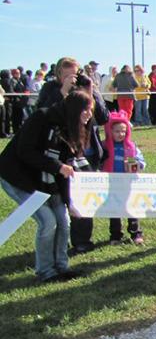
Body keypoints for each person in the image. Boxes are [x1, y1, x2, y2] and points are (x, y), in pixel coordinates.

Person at [0, 90, 95, 283]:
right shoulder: (42, 117)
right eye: (86, 110)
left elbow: (66, 170)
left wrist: (69, 202)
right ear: (75, 109)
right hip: (19, 177)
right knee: (47, 221)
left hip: (50, 180)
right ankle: (45, 271)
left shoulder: (73, 130)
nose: (89, 115)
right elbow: (25, 151)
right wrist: (57, 167)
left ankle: (62, 266)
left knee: (63, 220)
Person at [36, 57, 110, 254]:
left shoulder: (86, 87)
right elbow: (41, 115)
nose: (72, 78)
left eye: (75, 74)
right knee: (60, 199)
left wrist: (91, 91)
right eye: (67, 75)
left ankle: (82, 240)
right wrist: (63, 92)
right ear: (58, 74)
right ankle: (58, 241)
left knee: (83, 197)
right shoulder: (50, 90)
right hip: (59, 152)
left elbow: (103, 117)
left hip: (87, 151)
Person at [101, 111, 146, 245]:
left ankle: (136, 233)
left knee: (131, 207)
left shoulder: (131, 147)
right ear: (110, 131)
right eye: (117, 131)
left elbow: (141, 161)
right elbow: (100, 162)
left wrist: (138, 164)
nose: (121, 134)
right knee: (114, 209)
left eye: (123, 131)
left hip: (128, 183)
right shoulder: (105, 147)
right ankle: (115, 235)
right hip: (111, 183)